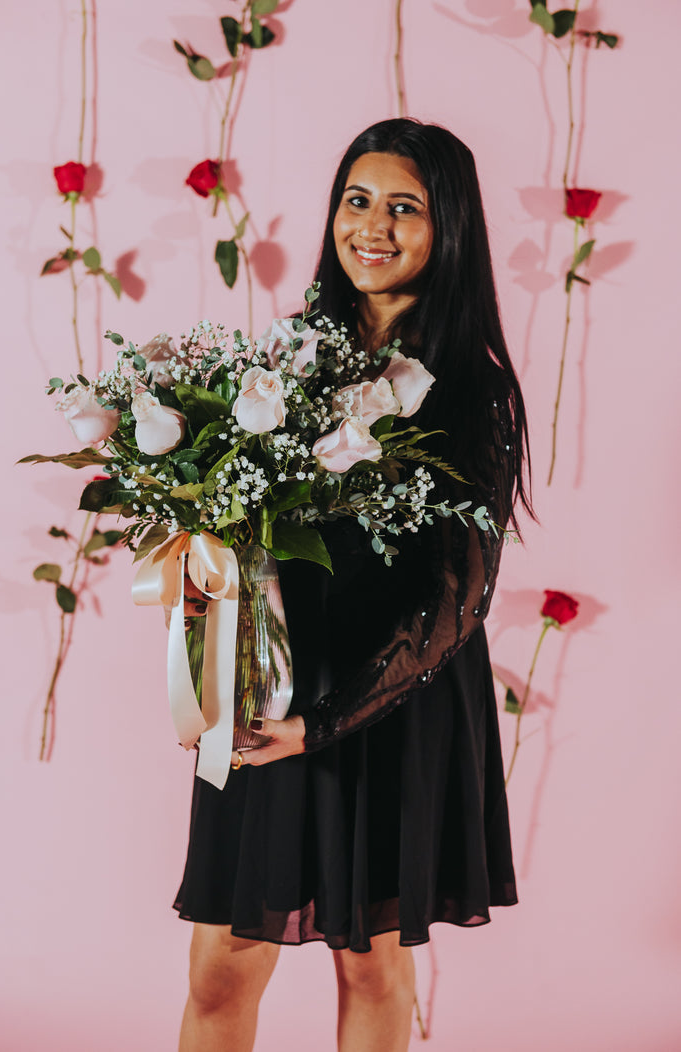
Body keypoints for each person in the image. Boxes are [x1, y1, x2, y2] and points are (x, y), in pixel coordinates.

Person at [174, 118, 532, 1052]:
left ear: (447, 227)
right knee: (222, 963)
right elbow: (233, 533)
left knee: (371, 961)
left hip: (393, 700)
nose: (372, 226)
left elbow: (460, 596)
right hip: (278, 683)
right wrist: (210, 653)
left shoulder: (473, 392)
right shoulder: (285, 360)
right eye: (357, 200)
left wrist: (327, 721)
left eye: (403, 208)